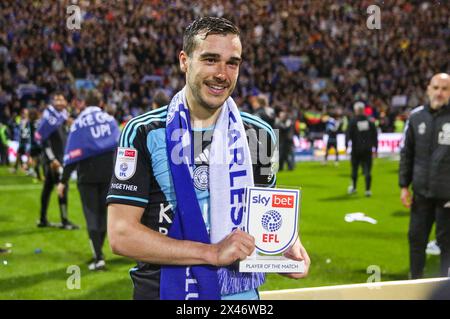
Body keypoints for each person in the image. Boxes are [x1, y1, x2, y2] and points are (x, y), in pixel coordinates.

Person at [107, 17, 310, 300]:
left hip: (240, 296)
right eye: (211, 59)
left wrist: (288, 245)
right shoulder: (144, 132)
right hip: (167, 292)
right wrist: (211, 253)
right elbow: (121, 235)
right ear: (184, 61)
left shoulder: (259, 134)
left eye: (232, 63)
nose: (222, 74)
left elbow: (264, 213)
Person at [57, 90, 119, 271]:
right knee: (104, 215)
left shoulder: (79, 123)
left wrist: (63, 180)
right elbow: (119, 145)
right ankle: (99, 253)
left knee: (92, 215)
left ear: (85, 103)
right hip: (109, 173)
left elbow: (71, 154)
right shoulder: (109, 120)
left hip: (87, 175)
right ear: (100, 102)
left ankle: (98, 256)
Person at [399, 73, 450, 279]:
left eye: (445, 89)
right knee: (416, 239)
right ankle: (415, 281)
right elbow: (406, 152)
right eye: (436, 88)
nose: (439, 93)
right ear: (428, 89)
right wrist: (404, 185)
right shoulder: (416, 117)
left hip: (447, 196)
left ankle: (444, 287)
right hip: (420, 193)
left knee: (447, 244)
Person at [36, 92, 79, 229]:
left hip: (61, 158)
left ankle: (43, 219)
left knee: (47, 188)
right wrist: (52, 159)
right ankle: (65, 221)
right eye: (57, 99)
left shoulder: (63, 117)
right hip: (55, 161)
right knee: (62, 188)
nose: (60, 102)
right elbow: (44, 140)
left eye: (62, 99)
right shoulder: (50, 118)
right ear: (53, 102)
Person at [345, 102, 378, 197]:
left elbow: (348, 134)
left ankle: (354, 188)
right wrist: (375, 148)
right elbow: (375, 135)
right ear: (363, 110)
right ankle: (367, 190)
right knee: (368, 170)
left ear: (356, 110)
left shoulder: (353, 121)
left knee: (354, 169)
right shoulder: (369, 121)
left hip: (356, 149)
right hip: (367, 149)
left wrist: (347, 146)